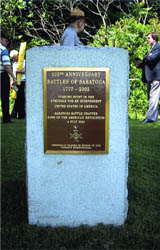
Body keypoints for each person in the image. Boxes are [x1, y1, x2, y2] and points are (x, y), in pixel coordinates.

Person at [136, 32, 160, 123]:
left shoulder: (158, 48)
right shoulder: (150, 50)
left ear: (154, 39)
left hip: (156, 77)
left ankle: (150, 118)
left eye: (148, 38)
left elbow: (151, 59)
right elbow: (147, 61)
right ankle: (152, 117)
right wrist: (139, 63)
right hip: (150, 77)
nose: (147, 39)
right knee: (151, 98)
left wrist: (146, 57)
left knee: (153, 97)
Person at [0, 34, 16, 123]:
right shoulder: (3, 49)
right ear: (1, 39)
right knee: (5, 98)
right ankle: (6, 118)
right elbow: (6, 65)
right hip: (2, 76)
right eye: (6, 41)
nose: (7, 43)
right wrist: (13, 76)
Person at [10, 49, 26, 119]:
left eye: (14, 57)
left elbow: (27, 71)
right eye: (12, 58)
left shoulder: (25, 62)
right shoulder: (14, 64)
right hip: (16, 83)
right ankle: (15, 114)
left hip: (23, 81)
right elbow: (13, 73)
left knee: (21, 98)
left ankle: (20, 115)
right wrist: (12, 82)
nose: (13, 59)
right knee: (17, 98)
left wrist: (21, 71)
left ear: (18, 55)